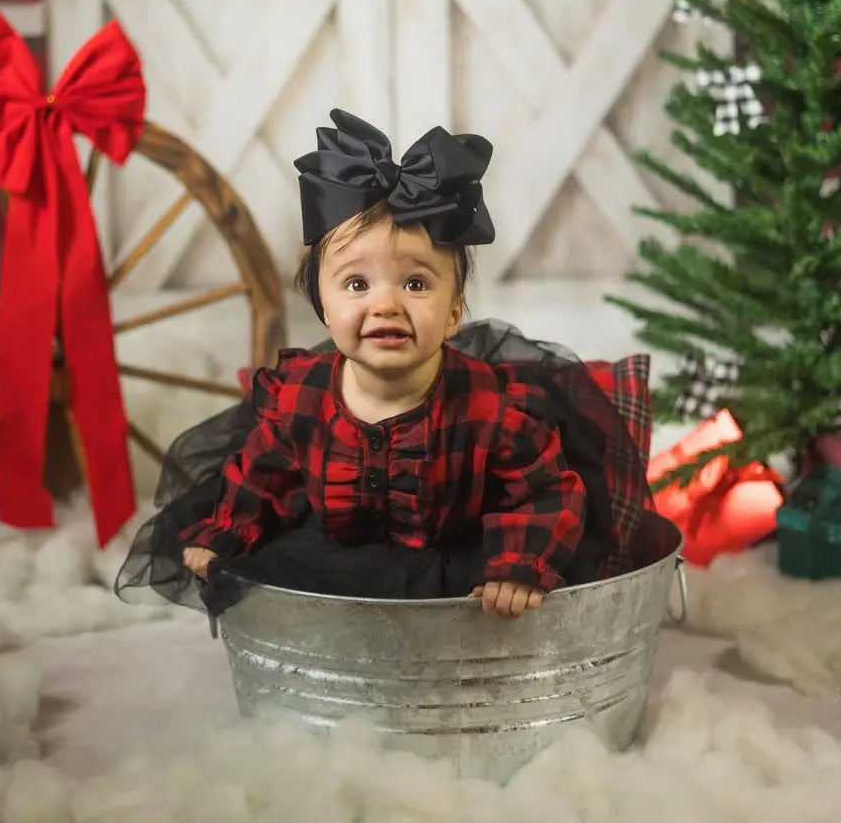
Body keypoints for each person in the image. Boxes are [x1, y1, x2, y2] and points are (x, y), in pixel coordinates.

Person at [115, 110, 651, 620]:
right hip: (328, 566)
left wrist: (518, 566)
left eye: (416, 284)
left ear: (453, 314)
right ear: (324, 308)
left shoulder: (490, 406)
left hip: (453, 570)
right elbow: (262, 476)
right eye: (356, 284)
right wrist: (227, 533)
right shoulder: (299, 397)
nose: (386, 304)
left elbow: (545, 491)